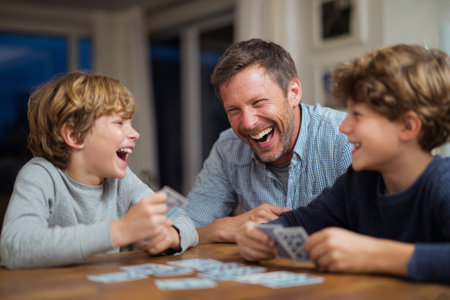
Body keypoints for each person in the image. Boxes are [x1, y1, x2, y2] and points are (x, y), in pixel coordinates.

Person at [236, 44, 450, 284]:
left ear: (408, 126)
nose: (344, 126)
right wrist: (260, 235)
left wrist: (373, 254)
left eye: (357, 115)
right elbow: (303, 221)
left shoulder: (443, 182)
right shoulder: (360, 181)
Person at [0, 72, 197, 269]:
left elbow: (183, 219)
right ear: (75, 136)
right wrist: (120, 231)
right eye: (119, 122)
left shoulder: (121, 180)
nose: (135, 133)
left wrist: (173, 235)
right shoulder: (40, 175)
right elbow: (14, 247)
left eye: (131, 123)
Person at [183, 39, 353, 244]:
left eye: (258, 102)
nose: (248, 123)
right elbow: (186, 228)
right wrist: (219, 229)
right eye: (234, 110)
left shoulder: (346, 138)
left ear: (293, 93)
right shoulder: (228, 148)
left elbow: (374, 233)